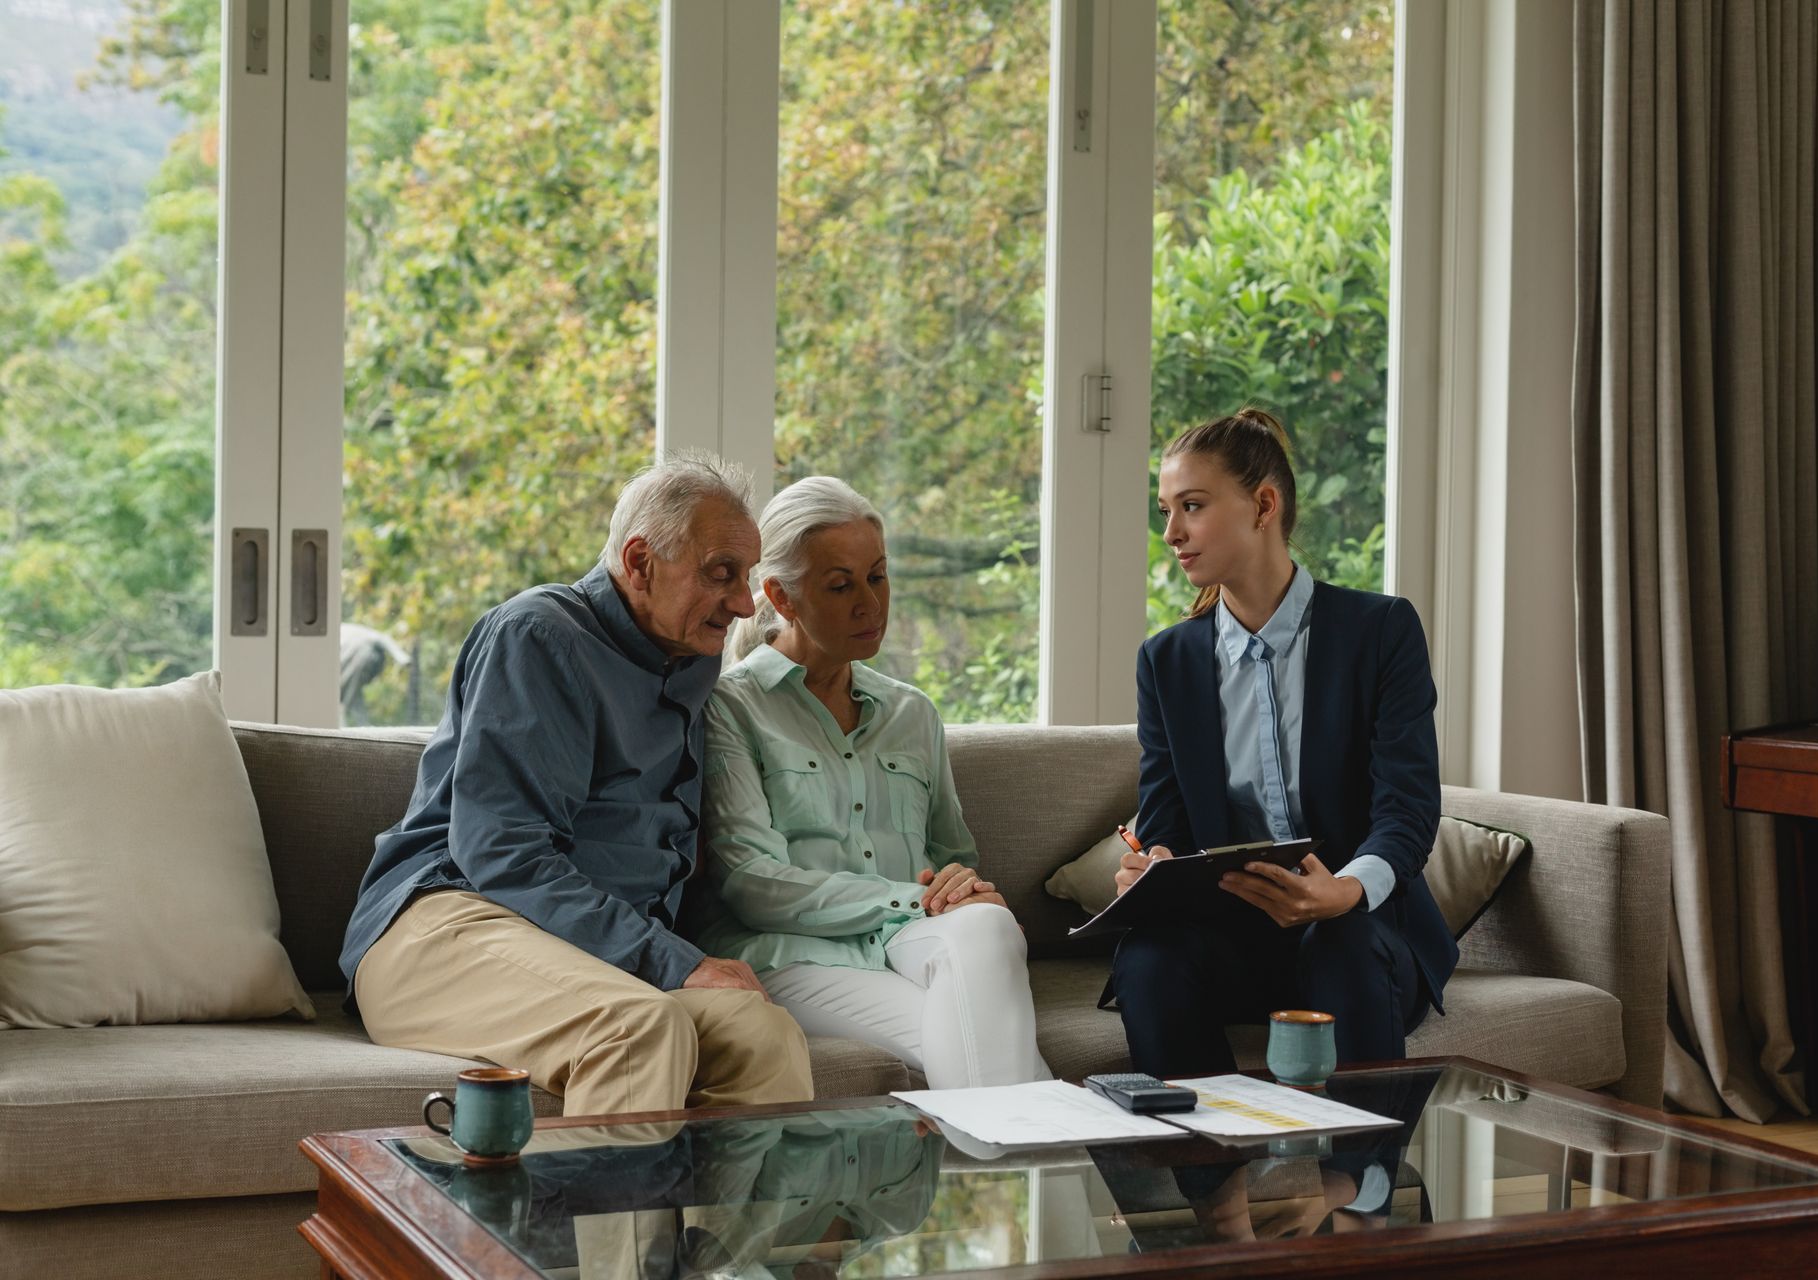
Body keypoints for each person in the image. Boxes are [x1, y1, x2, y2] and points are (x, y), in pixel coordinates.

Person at [340, 453, 814, 1118]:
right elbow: (502, 852)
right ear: (641, 562)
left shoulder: (691, 657)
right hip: (446, 925)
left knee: (763, 1035)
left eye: (747, 577)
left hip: (580, 949)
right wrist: (673, 961)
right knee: (638, 1028)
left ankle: (724, 1228)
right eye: (721, 574)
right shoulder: (539, 635)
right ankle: (601, 1227)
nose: (742, 602)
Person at [1110, 408, 1456, 1077]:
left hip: (1357, 927)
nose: (1171, 533)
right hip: (1232, 938)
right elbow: (1167, 823)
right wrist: (1150, 866)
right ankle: (1209, 1171)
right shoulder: (1167, 662)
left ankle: (1362, 1179)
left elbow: (1407, 811)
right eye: (1165, 510)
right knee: (1148, 960)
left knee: (1340, 947)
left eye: (1192, 506)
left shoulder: (1380, 631)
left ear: (1263, 505)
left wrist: (1347, 891)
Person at [691, 476, 1048, 1088]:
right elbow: (753, 885)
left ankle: (1021, 1163)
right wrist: (909, 900)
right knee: (980, 1048)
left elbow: (951, 856)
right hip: (794, 956)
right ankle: (1058, 1168)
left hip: (912, 942)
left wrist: (963, 888)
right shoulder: (731, 707)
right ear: (782, 595)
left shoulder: (913, 713)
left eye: (878, 577)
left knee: (987, 927)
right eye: (841, 585)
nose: (870, 604)